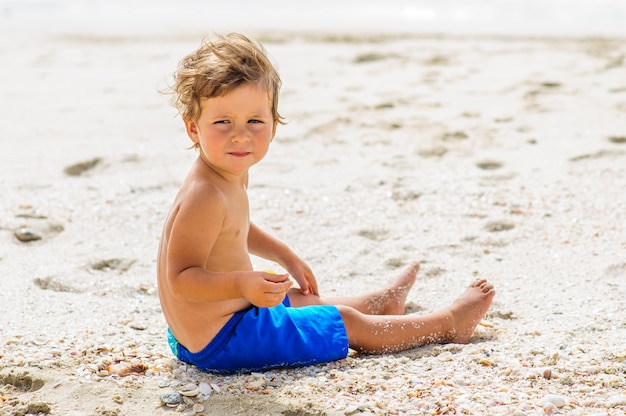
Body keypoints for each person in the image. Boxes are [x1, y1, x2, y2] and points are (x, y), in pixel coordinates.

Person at [157, 33, 495, 374]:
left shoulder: (223, 171)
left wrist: (283, 255)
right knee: (345, 323)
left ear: (273, 126)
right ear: (193, 129)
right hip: (224, 341)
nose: (240, 134)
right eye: (223, 122)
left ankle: (380, 303)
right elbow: (182, 278)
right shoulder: (206, 194)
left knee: (297, 300)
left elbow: (232, 228)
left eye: (254, 121)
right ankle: (448, 324)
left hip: (212, 328)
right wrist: (243, 284)